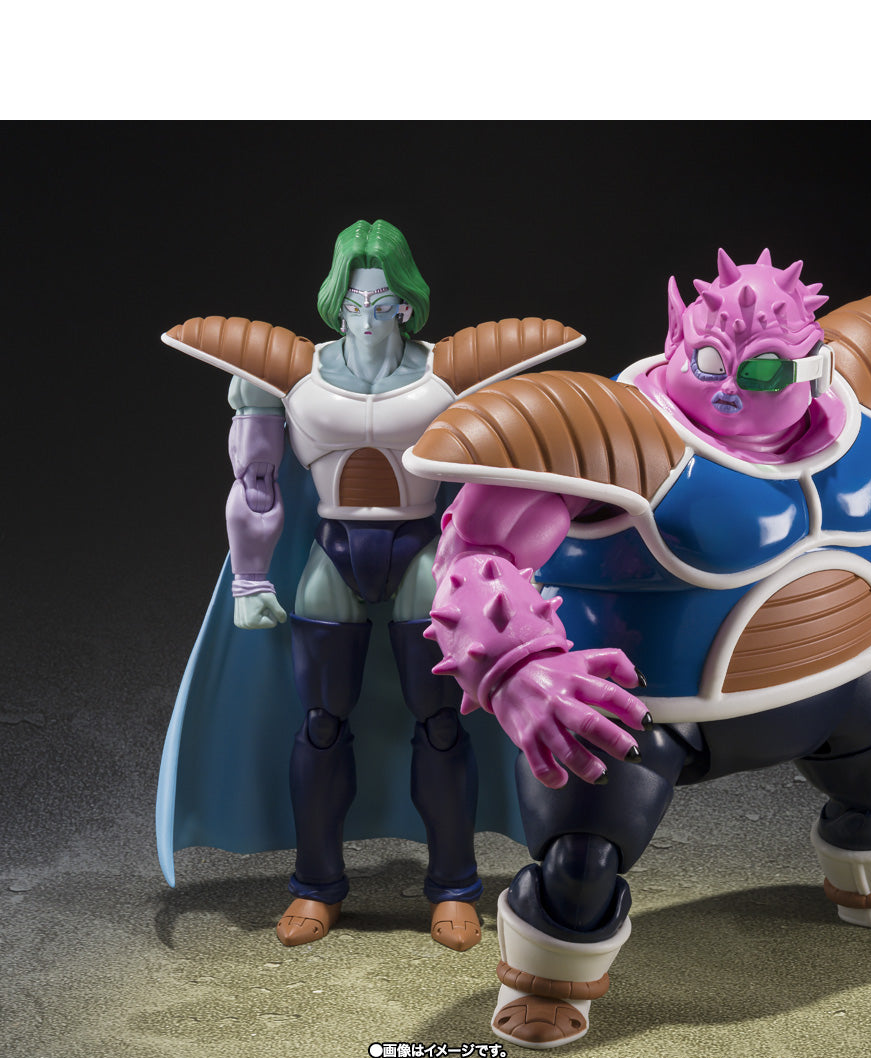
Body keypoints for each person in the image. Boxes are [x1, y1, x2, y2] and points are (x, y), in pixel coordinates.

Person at [405, 249, 871, 1046]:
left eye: (761, 372)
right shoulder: (613, 439)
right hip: (650, 710)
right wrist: (519, 668)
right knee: (583, 857)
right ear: (677, 341)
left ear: (813, 366)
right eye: (709, 362)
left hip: (854, 681)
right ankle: (550, 978)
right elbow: (474, 557)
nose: (728, 388)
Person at [157, 218, 583, 950]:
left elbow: (505, 477)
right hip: (334, 551)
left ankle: (454, 884)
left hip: (421, 551)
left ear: (406, 304)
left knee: (441, 722)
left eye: (380, 303)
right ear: (336, 302)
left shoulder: (447, 373)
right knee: (321, 724)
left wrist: (513, 569)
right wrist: (250, 580)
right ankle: (316, 884)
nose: (364, 318)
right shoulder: (289, 377)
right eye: (352, 303)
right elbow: (255, 482)